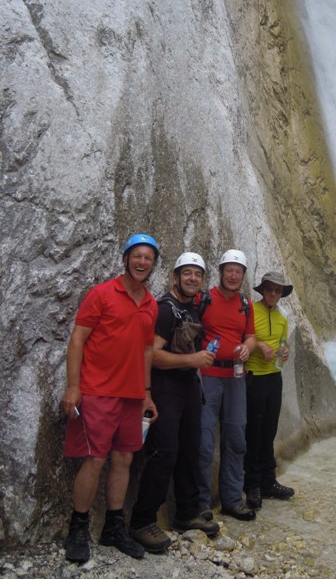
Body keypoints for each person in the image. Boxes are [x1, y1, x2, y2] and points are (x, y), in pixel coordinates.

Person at [61, 233, 160, 564]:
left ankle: (113, 528)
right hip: (98, 391)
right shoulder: (102, 294)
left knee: (124, 460)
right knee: (94, 459)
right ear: (126, 259)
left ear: (153, 264)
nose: (142, 262)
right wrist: (73, 387)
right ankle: (78, 528)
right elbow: (77, 339)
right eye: (137, 256)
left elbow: (146, 350)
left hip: (132, 396)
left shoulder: (151, 304)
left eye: (148, 258)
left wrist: (146, 394)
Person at [130, 252, 220, 552]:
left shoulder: (190, 309)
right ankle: (142, 521)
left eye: (198, 274)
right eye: (187, 273)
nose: (192, 278)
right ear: (175, 277)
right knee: (164, 453)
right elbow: (152, 354)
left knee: (189, 449)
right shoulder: (166, 309)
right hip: (166, 387)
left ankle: (187, 512)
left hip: (188, 387)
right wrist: (192, 360)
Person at [197, 249, 257, 521]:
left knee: (236, 438)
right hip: (207, 376)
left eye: (238, 272)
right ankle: (201, 503)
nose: (233, 276)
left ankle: (232, 499)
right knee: (203, 441)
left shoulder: (245, 303)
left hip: (235, 377)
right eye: (229, 270)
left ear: (243, 276)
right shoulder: (204, 299)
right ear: (221, 272)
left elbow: (251, 336)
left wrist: (247, 347)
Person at [244, 271, 295, 509]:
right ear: (262, 290)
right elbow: (243, 339)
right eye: (269, 289)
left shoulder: (282, 316)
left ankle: (268, 480)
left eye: (277, 290)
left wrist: (285, 353)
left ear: (281, 293)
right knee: (254, 432)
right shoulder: (251, 311)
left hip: (274, 377)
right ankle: (252, 484)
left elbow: (283, 345)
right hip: (254, 377)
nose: (273, 293)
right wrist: (258, 346)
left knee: (269, 431)